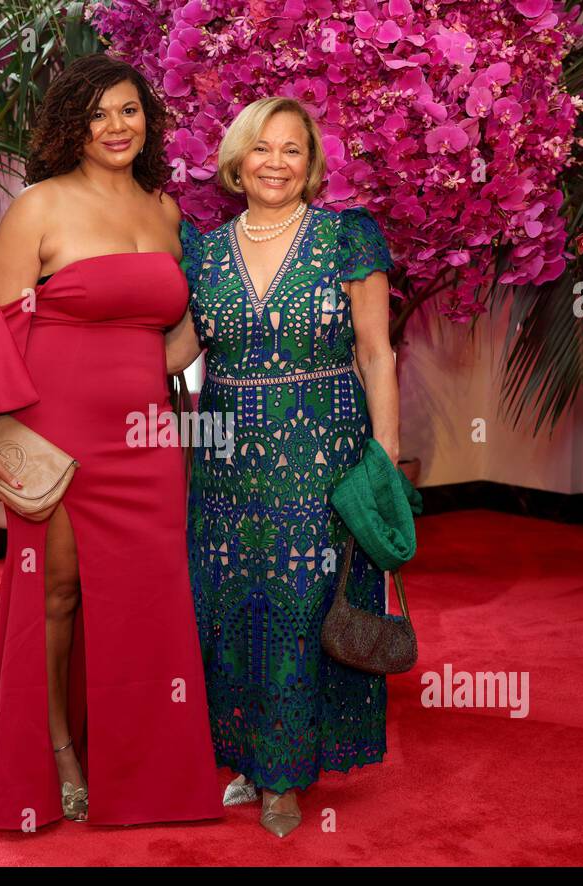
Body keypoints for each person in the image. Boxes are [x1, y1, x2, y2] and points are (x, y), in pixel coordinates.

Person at [0, 54, 223, 829]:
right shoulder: (39, 208)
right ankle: (57, 748)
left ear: (148, 121)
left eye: (129, 111)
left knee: (148, 600)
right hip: (54, 428)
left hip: (149, 436)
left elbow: (174, 333)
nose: (116, 127)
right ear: (73, 126)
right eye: (98, 115)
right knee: (55, 595)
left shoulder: (165, 212)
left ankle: (142, 769)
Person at [166, 96, 400, 838]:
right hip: (228, 458)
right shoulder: (201, 250)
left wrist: (385, 461)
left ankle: (285, 777)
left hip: (323, 451)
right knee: (232, 606)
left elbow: (376, 352)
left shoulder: (346, 238)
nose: (276, 162)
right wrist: (79, 347)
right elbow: (176, 351)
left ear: (312, 163)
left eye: (292, 150)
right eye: (262, 148)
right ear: (237, 161)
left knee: (303, 605)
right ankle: (243, 756)